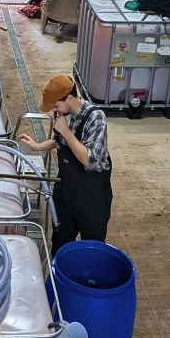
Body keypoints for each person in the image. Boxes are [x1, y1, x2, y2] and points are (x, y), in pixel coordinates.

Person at [18, 73, 112, 255]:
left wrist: (66, 131)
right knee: (60, 242)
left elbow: (89, 160)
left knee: (92, 247)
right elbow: (59, 140)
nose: (56, 111)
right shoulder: (63, 113)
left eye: (57, 105)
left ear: (70, 97)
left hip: (92, 197)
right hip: (66, 191)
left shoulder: (95, 117)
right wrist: (38, 146)